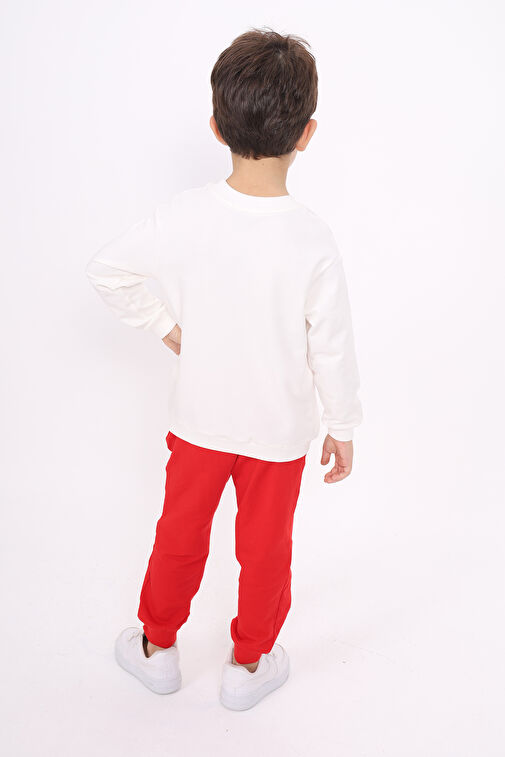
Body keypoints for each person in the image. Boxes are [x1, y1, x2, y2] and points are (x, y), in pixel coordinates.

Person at [85, 27, 363, 711]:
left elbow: (107, 270)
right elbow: (332, 344)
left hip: (199, 423)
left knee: (179, 537)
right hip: (278, 434)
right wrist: (342, 424)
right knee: (265, 550)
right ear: (307, 134)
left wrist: (166, 328)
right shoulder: (312, 238)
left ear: (215, 127)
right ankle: (249, 663)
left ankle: (156, 648)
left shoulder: (183, 216)